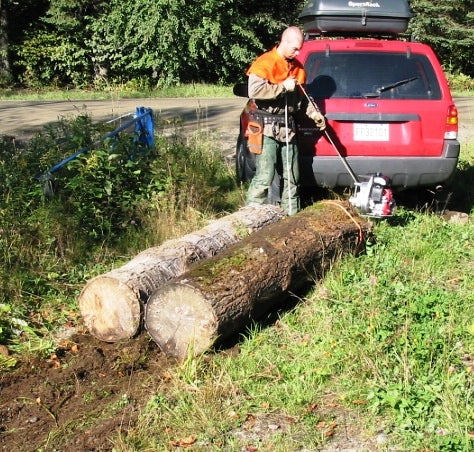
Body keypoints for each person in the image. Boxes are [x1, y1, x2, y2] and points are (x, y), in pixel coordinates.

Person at [245, 26, 326, 215]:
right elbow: (254, 91)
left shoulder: (298, 68)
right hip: (266, 127)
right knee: (264, 176)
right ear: (285, 41)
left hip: (288, 128)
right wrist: (282, 87)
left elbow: (303, 98)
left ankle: (291, 218)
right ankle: (248, 219)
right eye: (295, 48)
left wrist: (315, 114)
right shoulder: (265, 62)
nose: (297, 53)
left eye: (300, 49)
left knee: (292, 177)